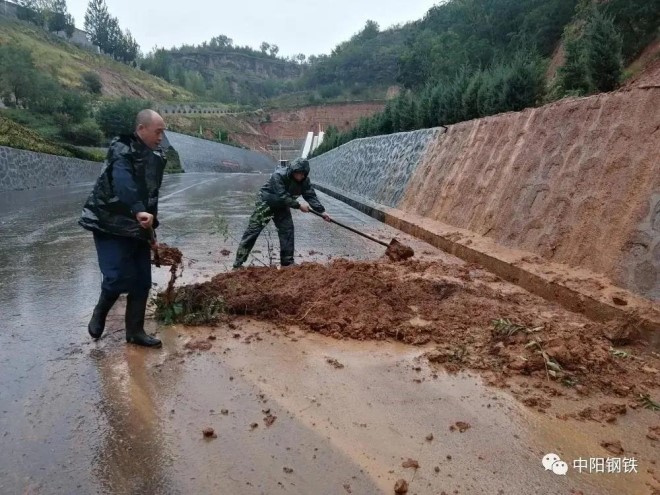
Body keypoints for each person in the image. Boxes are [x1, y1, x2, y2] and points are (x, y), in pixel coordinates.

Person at [79, 109, 167, 348]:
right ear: (141, 129)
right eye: (157, 132)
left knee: (142, 280)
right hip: (110, 222)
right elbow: (123, 182)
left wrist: (152, 233)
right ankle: (101, 310)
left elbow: (151, 197)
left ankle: (135, 332)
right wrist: (138, 210)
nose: (160, 137)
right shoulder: (121, 149)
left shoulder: (155, 157)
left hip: (138, 226)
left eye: (163, 133)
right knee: (117, 276)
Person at [233, 157, 331, 269]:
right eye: (298, 173)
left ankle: (287, 263)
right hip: (266, 203)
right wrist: (299, 205)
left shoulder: (304, 181)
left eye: (303, 174)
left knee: (287, 231)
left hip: (282, 206)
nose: (300, 176)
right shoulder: (278, 175)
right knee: (252, 231)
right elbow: (282, 196)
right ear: (292, 171)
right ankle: (238, 263)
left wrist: (322, 211)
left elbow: (310, 195)